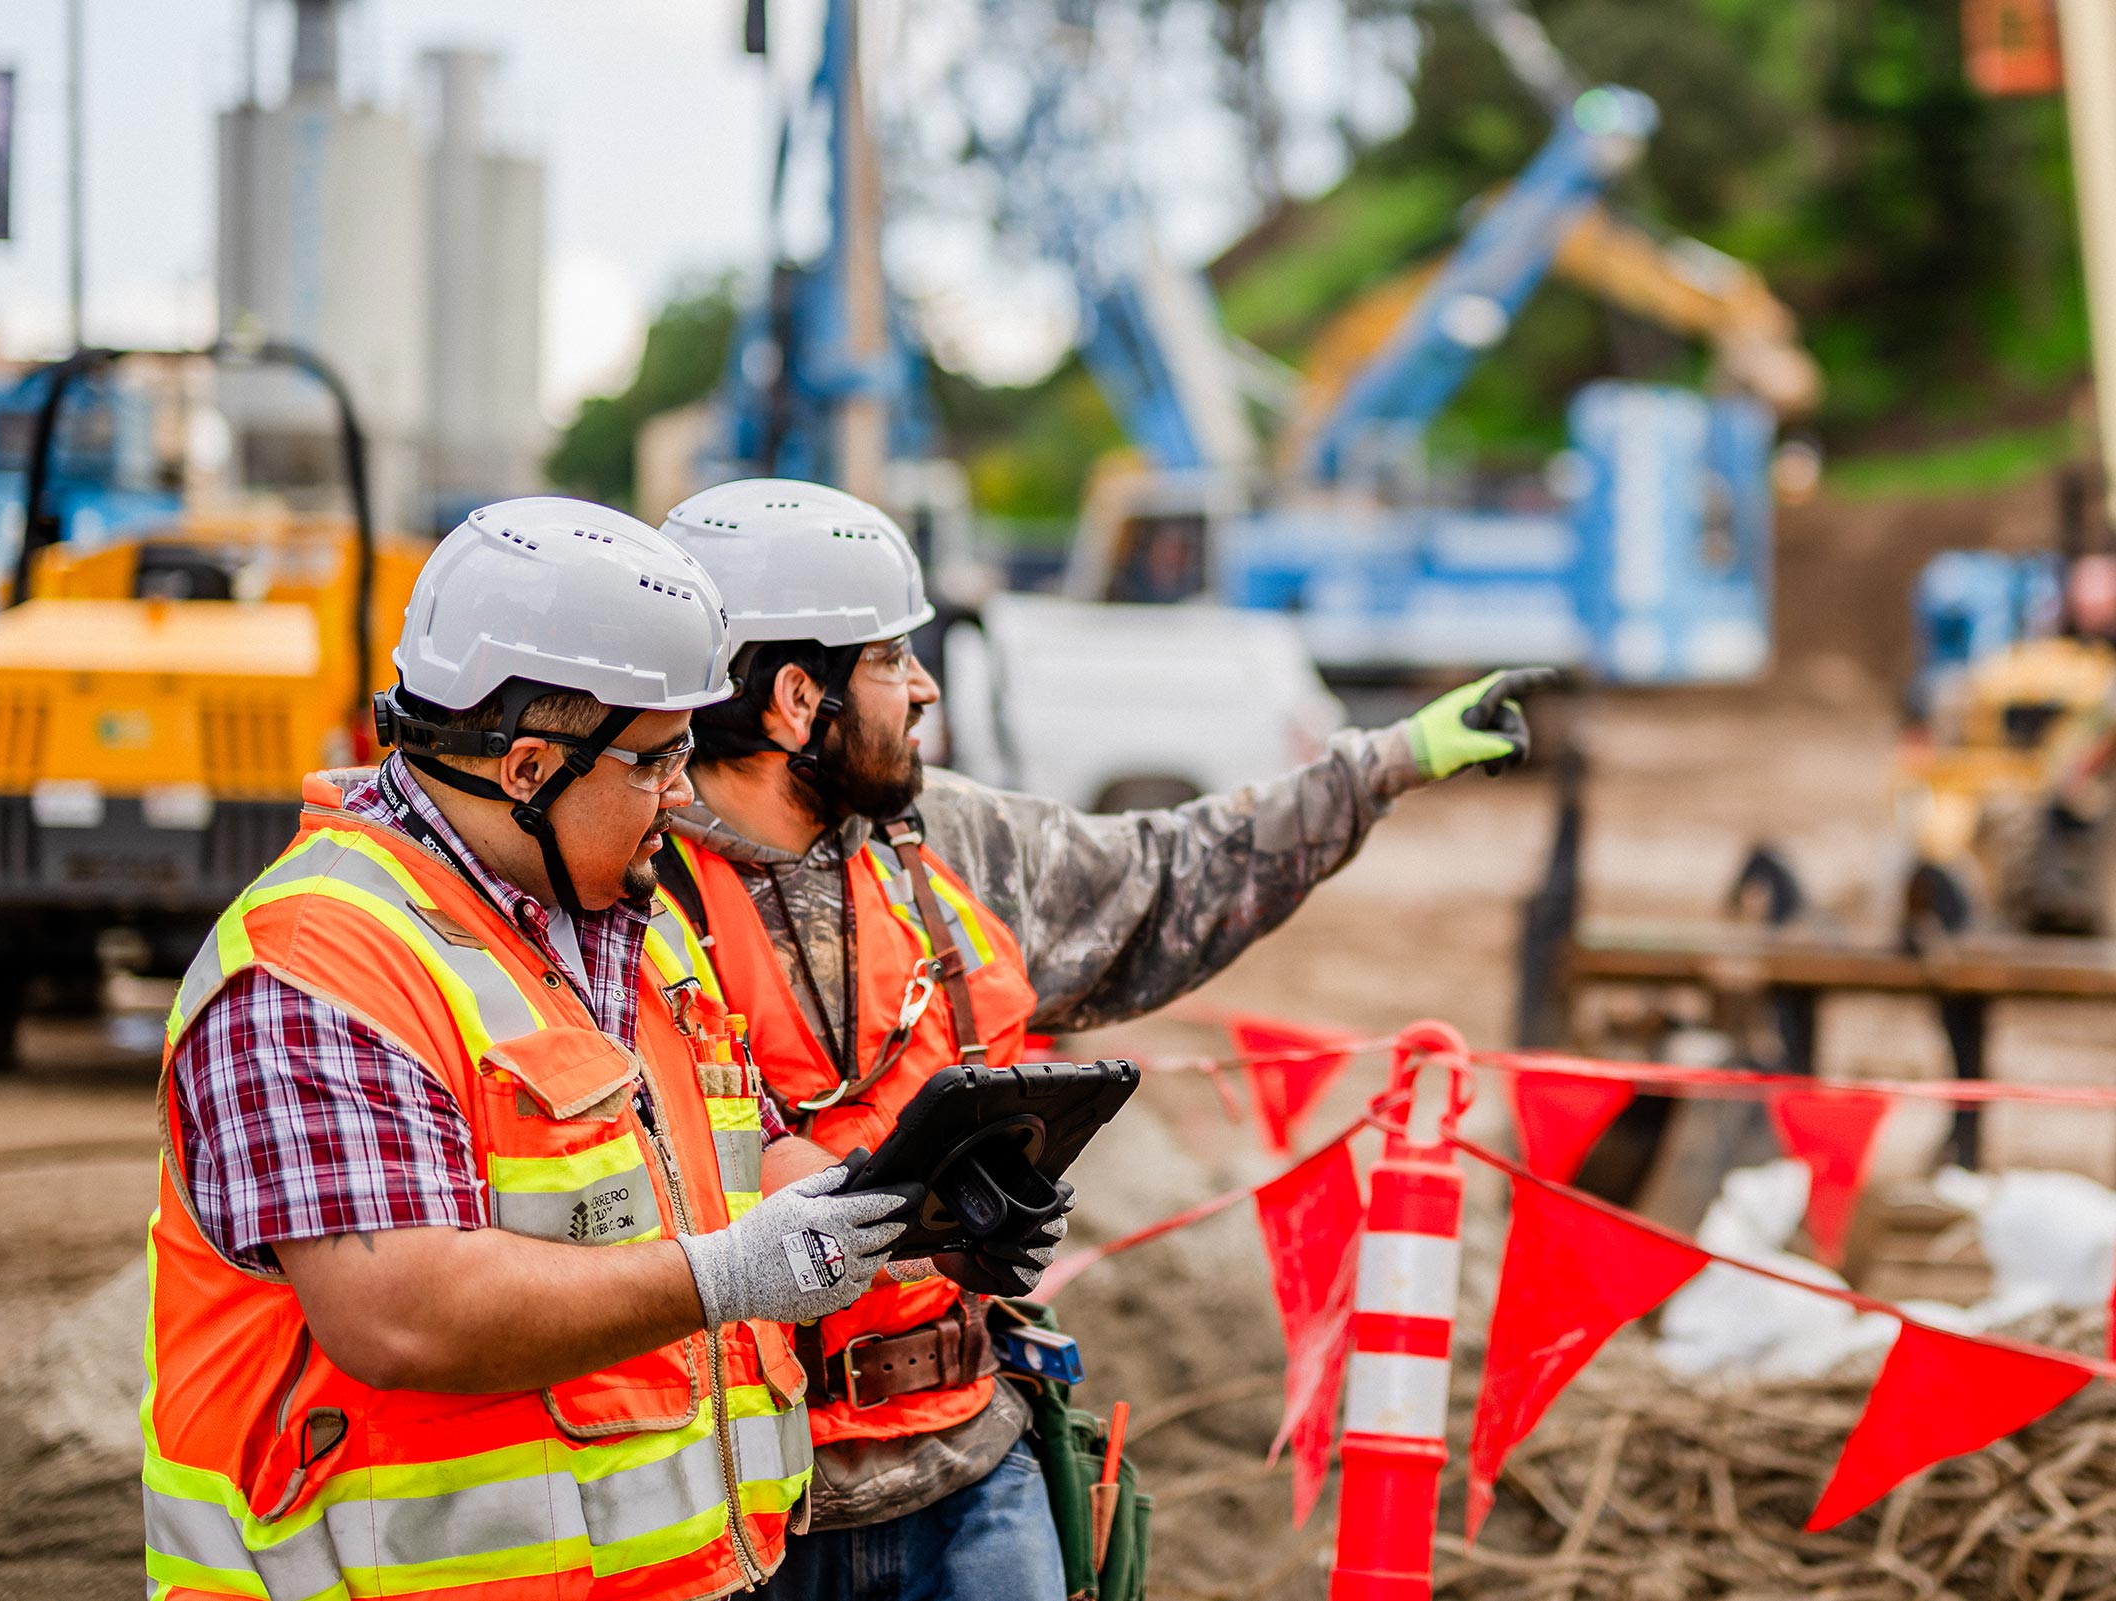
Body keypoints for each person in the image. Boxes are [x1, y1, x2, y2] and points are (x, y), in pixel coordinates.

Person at [656, 478, 1551, 1601]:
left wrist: (1386, 762)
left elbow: (1173, 869)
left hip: (968, 1470)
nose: (925, 687)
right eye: (891, 660)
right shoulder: (612, 895)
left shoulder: (953, 845)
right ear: (798, 697)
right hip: (728, 1507)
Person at [142, 498, 920, 1601]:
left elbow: (732, 1166)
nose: (682, 794)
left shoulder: (633, 929)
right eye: (654, 762)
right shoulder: (316, 964)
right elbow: (400, 1315)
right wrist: (734, 1275)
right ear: (526, 769)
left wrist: (912, 1213)